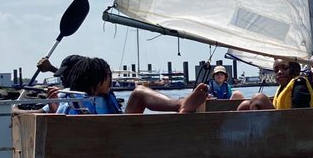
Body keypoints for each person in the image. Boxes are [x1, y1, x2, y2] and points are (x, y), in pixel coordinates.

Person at [37, 56, 208, 114]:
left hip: (118, 132)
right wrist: (53, 109)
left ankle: (180, 104)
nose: (111, 80)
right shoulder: (66, 98)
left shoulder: (106, 96)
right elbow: (37, 114)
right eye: (107, 76)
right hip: (90, 136)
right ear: (93, 80)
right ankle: (180, 104)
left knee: (139, 92)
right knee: (138, 93)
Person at [238, 59, 313, 110]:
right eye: (276, 70)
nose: (279, 72)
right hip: (281, 123)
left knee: (259, 98)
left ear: (294, 70)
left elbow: (301, 112)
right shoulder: (283, 87)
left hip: (292, 125)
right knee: (245, 105)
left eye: (284, 68)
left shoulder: (299, 85)